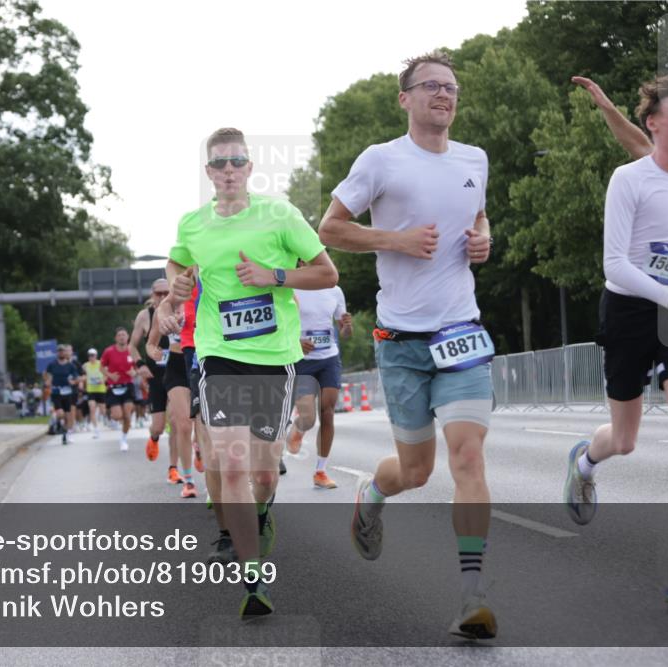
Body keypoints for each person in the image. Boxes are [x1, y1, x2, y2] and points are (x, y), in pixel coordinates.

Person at [318, 51, 496, 639]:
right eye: (432, 86)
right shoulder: (381, 160)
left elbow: (478, 217)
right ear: (406, 98)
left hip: (461, 332)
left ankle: (472, 596)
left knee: (468, 458)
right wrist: (394, 239)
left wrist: (483, 239)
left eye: (452, 87)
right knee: (416, 472)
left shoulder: (474, 159)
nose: (444, 95)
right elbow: (330, 228)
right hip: (401, 342)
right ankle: (373, 493)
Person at [157, 126, 339, 619]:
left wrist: (273, 276)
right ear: (209, 171)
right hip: (219, 355)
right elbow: (176, 265)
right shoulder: (193, 224)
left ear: (250, 167)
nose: (229, 170)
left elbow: (327, 273)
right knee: (233, 464)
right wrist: (178, 287)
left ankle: (261, 513)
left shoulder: (280, 215)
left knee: (263, 473)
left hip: (275, 357)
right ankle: (253, 580)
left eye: (237, 161)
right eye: (220, 163)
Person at [563, 74, 668, 605]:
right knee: (625, 438)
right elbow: (614, 265)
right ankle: (585, 461)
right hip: (630, 311)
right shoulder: (628, 179)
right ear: (653, 124)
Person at [287, 275, 354, 489]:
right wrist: (295, 341)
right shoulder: (291, 287)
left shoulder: (334, 290)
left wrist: (347, 326)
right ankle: (299, 427)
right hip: (302, 360)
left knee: (328, 412)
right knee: (308, 417)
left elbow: (345, 332)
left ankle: (321, 471)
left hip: (329, 358)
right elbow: (280, 324)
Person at [148, 285, 197, 497]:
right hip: (176, 367)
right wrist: (154, 352)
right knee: (183, 424)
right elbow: (150, 344)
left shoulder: (202, 296)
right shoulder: (164, 308)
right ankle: (189, 481)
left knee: (203, 426)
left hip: (200, 361)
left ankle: (201, 451)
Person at [132, 280, 176, 472]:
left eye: (166, 292)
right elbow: (132, 346)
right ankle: (154, 437)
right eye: (159, 293)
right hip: (155, 377)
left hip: (176, 374)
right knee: (158, 426)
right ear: (152, 294)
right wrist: (140, 365)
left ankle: (174, 468)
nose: (163, 296)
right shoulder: (145, 316)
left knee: (176, 422)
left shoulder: (179, 310)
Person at [101, 327, 138, 451]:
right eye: (119, 335)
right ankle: (115, 417)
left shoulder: (132, 350)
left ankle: (123, 438)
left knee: (127, 415)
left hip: (128, 386)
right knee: (117, 416)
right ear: (115, 338)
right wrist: (110, 375)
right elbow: (101, 367)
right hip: (113, 387)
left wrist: (134, 373)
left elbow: (138, 367)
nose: (122, 337)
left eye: (124, 335)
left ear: (128, 337)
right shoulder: (109, 351)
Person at [44, 345, 80, 445]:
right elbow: (46, 374)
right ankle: (60, 424)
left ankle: (66, 433)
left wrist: (73, 382)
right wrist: (48, 381)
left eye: (62, 351)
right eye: (59, 351)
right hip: (56, 392)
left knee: (68, 415)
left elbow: (77, 378)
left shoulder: (70, 366)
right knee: (60, 414)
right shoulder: (52, 364)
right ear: (57, 353)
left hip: (67, 392)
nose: (61, 353)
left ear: (65, 353)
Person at [81, 348, 106, 438]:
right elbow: (83, 376)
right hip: (91, 390)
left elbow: (106, 375)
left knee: (103, 411)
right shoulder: (85, 366)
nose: (91, 357)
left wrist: (103, 381)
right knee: (92, 409)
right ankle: (96, 430)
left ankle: (101, 416)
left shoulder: (101, 364)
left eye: (92, 355)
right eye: (89, 355)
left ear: (96, 356)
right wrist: (82, 381)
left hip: (100, 390)